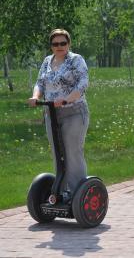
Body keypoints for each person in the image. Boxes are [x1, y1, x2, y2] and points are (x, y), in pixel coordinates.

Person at [28, 29, 89, 202]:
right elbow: (40, 82)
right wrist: (35, 97)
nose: (59, 46)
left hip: (74, 112)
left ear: (68, 44)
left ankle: (77, 195)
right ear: (51, 46)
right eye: (55, 44)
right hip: (51, 113)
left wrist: (66, 99)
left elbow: (83, 83)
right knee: (57, 152)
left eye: (63, 43)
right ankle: (60, 194)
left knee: (72, 152)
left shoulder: (76, 60)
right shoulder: (48, 61)